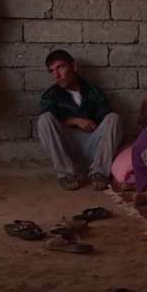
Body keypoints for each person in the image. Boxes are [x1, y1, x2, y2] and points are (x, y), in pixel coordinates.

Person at [38, 50, 122, 191]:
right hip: (67, 147)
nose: (56, 75)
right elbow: (49, 123)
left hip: (91, 145)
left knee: (114, 118)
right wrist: (76, 121)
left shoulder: (94, 91)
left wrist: (94, 125)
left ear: (74, 66)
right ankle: (66, 174)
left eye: (60, 67)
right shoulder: (50, 95)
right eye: (52, 71)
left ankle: (99, 172)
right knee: (44, 119)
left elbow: (105, 120)